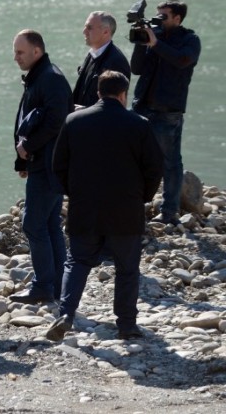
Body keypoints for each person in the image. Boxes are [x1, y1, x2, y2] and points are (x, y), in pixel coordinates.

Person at [47, 71, 163, 341]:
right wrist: (142, 196)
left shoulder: (74, 121)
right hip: (126, 209)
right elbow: (154, 168)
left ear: (98, 92)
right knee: (127, 268)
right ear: (123, 94)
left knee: (77, 261)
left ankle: (66, 314)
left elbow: (58, 165)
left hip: (85, 207)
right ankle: (126, 324)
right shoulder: (139, 124)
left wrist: (73, 192)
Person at [10, 29, 73, 305]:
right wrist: (24, 159)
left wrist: (28, 148)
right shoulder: (40, 76)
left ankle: (43, 285)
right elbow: (32, 120)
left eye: (20, 52)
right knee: (48, 225)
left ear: (37, 51)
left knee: (33, 224)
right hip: (42, 164)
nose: (16, 57)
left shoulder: (51, 78)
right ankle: (58, 284)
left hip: (48, 166)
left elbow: (56, 122)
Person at [130, 0, 202, 226]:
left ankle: (169, 211)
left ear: (177, 18)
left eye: (164, 16)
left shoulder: (190, 40)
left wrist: (156, 44)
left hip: (167, 110)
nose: (159, 19)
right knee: (134, 159)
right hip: (141, 106)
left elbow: (182, 61)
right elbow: (136, 69)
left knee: (170, 162)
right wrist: (142, 41)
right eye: (157, 15)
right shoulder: (155, 35)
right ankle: (132, 207)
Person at [72, 11, 130, 110]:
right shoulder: (92, 54)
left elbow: (116, 107)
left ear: (106, 32)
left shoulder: (116, 62)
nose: (84, 31)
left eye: (89, 28)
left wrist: (84, 111)